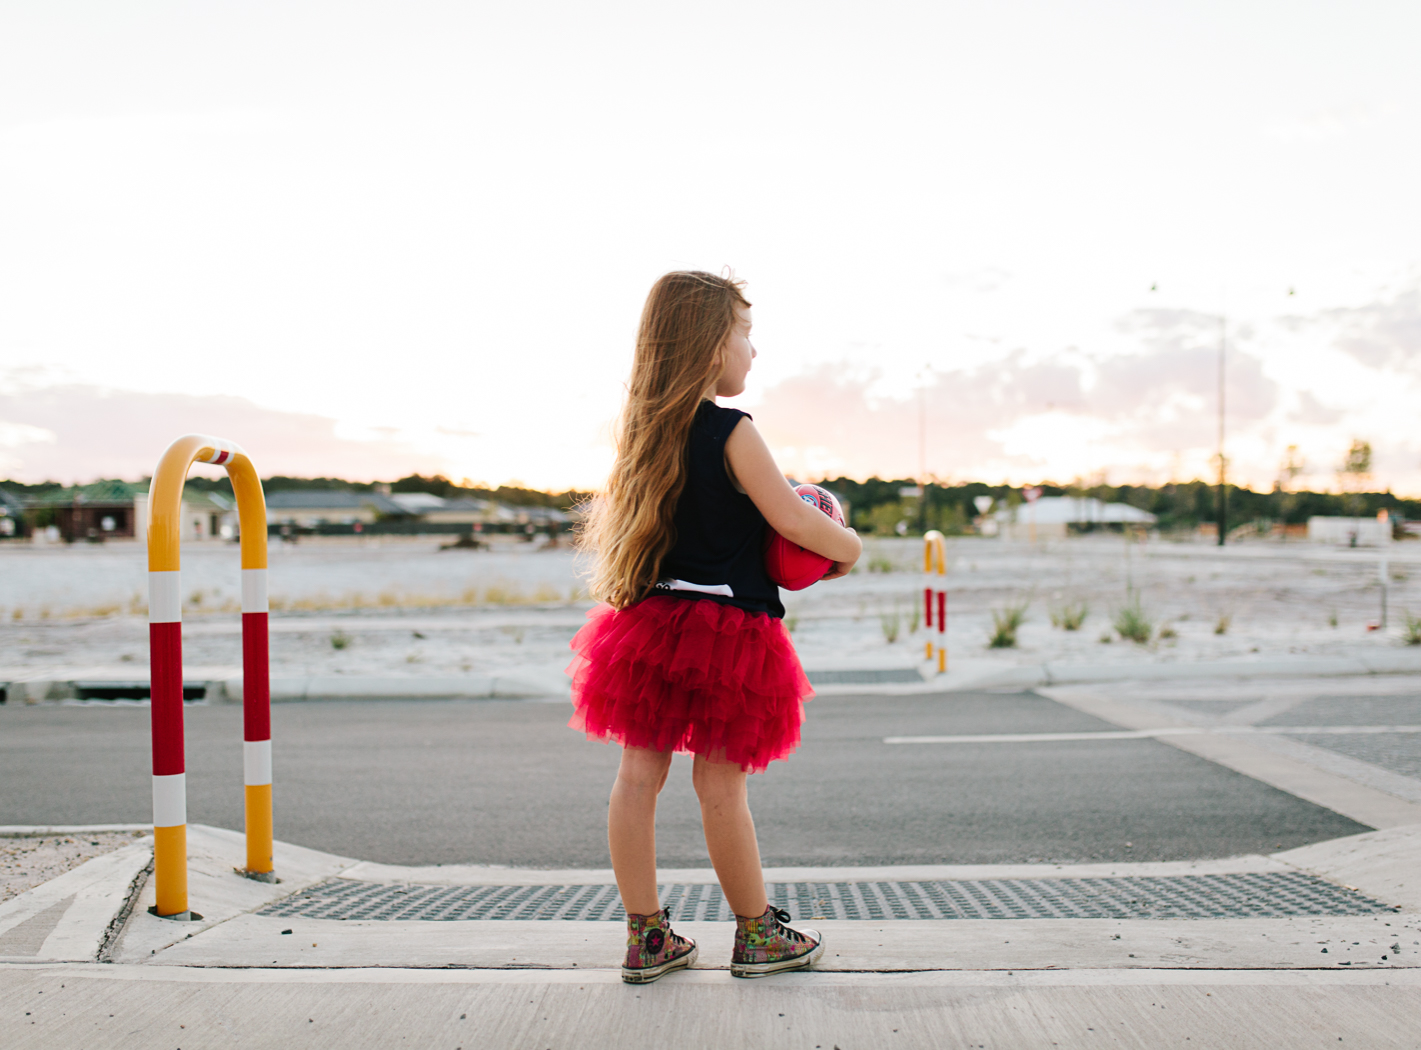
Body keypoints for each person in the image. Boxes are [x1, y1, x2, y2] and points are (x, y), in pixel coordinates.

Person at [569, 271, 862, 983]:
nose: (752, 352)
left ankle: (646, 938)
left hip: (647, 624)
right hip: (728, 630)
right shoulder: (734, 430)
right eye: (744, 334)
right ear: (709, 345)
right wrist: (850, 549)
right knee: (721, 786)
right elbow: (792, 518)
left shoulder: (641, 433)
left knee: (636, 778)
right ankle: (756, 935)